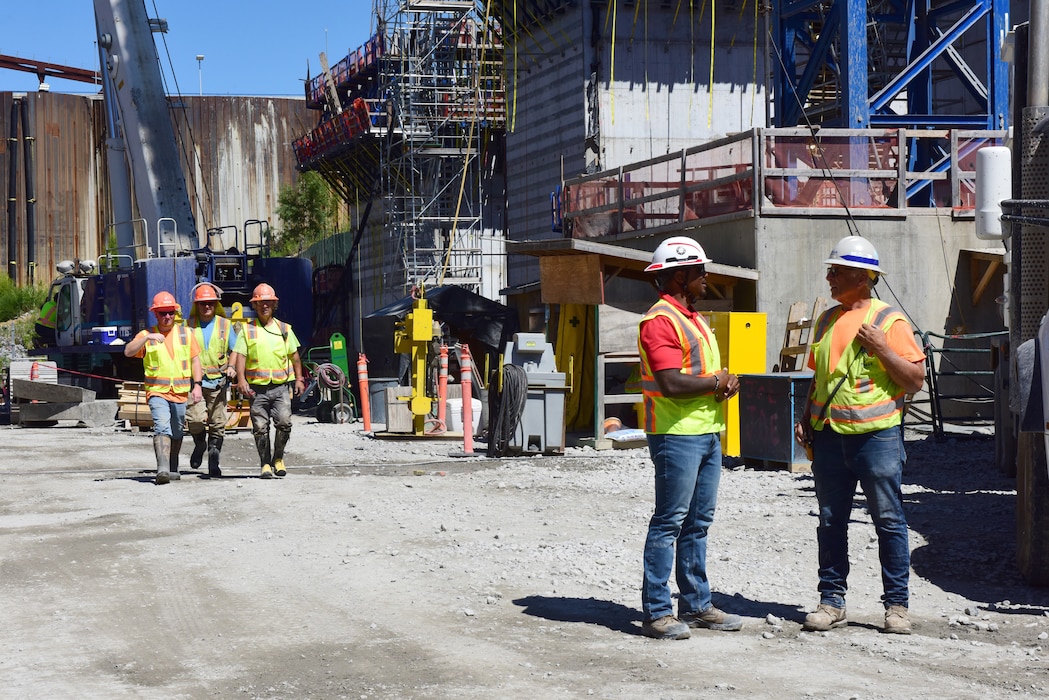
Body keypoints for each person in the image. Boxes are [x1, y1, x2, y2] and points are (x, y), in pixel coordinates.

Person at [794, 236, 925, 635]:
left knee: (888, 520)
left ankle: (897, 607)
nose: (829, 277)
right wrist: (805, 417)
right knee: (831, 520)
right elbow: (821, 377)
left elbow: (915, 380)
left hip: (877, 438)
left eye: (837, 270)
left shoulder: (890, 322)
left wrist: (884, 349)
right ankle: (831, 601)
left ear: (863, 277)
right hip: (830, 436)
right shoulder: (826, 320)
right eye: (830, 270)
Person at [637, 236, 742, 640]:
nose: (706, 278)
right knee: (669, 523)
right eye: (700, 271)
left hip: (706, 432)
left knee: (697, 523)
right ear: (680, 275)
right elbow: (669, 382)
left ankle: (696, 605)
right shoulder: (660, 320)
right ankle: (657, 613)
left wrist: (721, 385)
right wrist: (715, 380)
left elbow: (695, 377)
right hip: (676, 435)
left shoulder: (693, 317)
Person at [124, 291, 203, 485]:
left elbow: (195, 361)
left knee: (177, 430)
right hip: (157, 392)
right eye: (162, 313)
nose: (167, 317)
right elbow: (128, 351)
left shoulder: (186, 334)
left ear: (175, 313)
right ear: (155, 314)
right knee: (162, 426)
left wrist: (198, 385)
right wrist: (147, 338)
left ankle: (173, 465)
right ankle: (162, 468)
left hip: (180, 392)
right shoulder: (146, 335)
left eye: (170, 313)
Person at [232, 283, 305, 479]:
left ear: (274, 305)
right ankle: (265, 463)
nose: (264, 306)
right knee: (260, 428)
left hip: (280, 387)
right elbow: (240, 357)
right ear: (255, 306)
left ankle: (278, 459)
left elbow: (295, 356)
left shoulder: (284, 329)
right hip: (256, 389)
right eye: (260, 303)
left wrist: (299, 378)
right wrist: (241, 380)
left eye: (268, 302)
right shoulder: (247, 331)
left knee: (284, 422)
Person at [186, 282, 238, 478]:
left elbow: (235, 349)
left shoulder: (225, 324)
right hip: (195, 383)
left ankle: (213, 461)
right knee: (195, 419)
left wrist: (232, 367)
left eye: (210, 303)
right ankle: (200, 444)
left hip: (218, 382)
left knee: (218, 423)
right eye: (202, 303)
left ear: (215, 304)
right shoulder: (189, 326)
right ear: (196, 305)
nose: (206, 306)